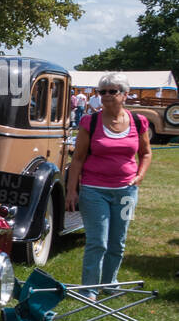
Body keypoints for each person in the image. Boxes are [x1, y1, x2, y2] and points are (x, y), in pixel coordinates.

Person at [65, 72, 152, 298]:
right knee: (98, 242)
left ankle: (110, 284)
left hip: (125, 192)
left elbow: (146, 154)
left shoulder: (137, 122)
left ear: (125, 95)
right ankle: (89, 290)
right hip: (94, 192)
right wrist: (71, 191)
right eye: (101, 91)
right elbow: (77, 159)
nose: (105, 96)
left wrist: (140, 176)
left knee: (117, 241)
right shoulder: (90, 122)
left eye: (112, 91)